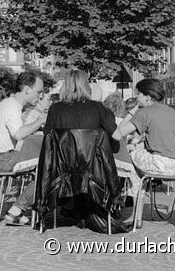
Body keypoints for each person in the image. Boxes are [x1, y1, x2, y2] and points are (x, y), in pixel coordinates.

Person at [40, 70, 118, 228]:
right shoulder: (97, 108)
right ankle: (106, 205)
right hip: (93, 172)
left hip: (62, 173)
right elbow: (114, 134)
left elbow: (48, 137)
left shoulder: (55, 109)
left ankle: (68, 207)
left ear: (65, 86)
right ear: (86, 85)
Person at [0, 70, 47, 225]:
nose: (41, 96)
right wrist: (40, 120)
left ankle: (18, 208)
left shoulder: (7, 104)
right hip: (2, 158)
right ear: (26, 89)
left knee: (44, 163)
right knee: (49, 167)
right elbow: (18, 134)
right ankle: (17, 209)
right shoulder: (12, 106)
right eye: (38, 92)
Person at [113, 78, 175, 178]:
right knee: (138, 153)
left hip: (160, 166)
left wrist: (133, 110)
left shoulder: (144, 112)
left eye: (138, 94)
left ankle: (133, 192)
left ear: (147, 97)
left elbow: (118, 134)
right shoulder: (171, 111)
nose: (136, 98)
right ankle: (138, 190)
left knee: (127, 155)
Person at [103, 93, 140, 200]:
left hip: (107, 158)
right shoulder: (121, 121)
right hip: (121, 160)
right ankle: (122, 198)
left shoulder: (105, 121)